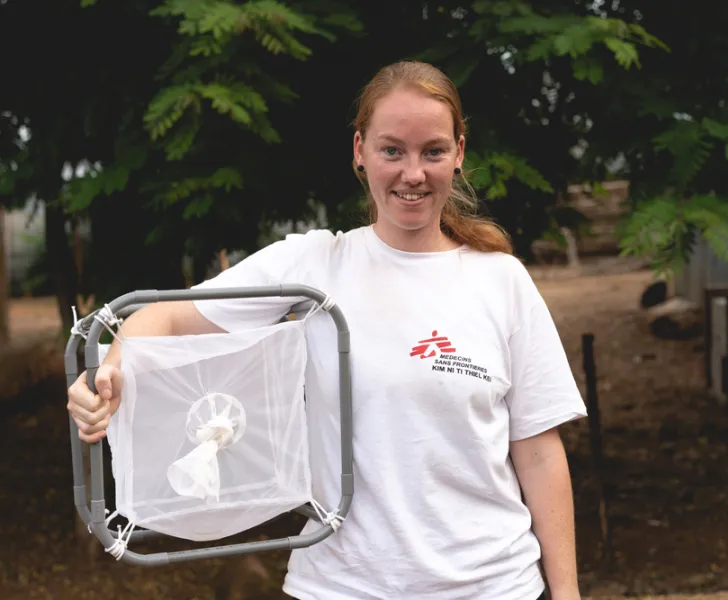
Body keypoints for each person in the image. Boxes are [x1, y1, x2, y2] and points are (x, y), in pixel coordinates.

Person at [67, 60, 588, 600]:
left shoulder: (501, 279)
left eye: (432, 151)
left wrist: (567, 593)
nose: (413, 173)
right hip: (341, 586)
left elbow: (540, 451)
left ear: (458, 153)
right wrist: (111, 369)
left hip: (495, 586)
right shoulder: (313, 265)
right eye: (392, 150)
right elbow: (170, 316)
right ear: (360, 151)